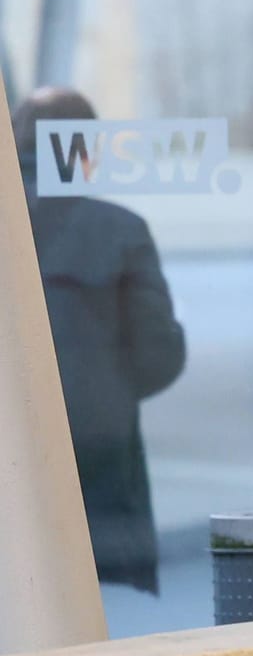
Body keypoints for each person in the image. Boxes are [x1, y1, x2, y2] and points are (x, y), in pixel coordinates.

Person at [12, 87, 187, 596]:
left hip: (14, 448)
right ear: (84, 153)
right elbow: (158, 353)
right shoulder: (120, 230)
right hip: (101, 453)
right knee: (101, 602)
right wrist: (104, 388)